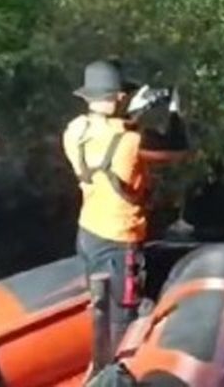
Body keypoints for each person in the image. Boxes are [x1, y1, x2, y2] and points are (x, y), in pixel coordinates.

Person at [62, 61, 189, 359]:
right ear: (120, 97)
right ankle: (117, 373)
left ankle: (102, 361)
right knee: (124, 316)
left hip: (89, 233)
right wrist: (174, 111)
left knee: (101, 307)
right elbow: (177, 150)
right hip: (120, 240)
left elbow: (108, 136)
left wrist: (133, 115)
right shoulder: (132, 141)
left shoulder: (74, 130)